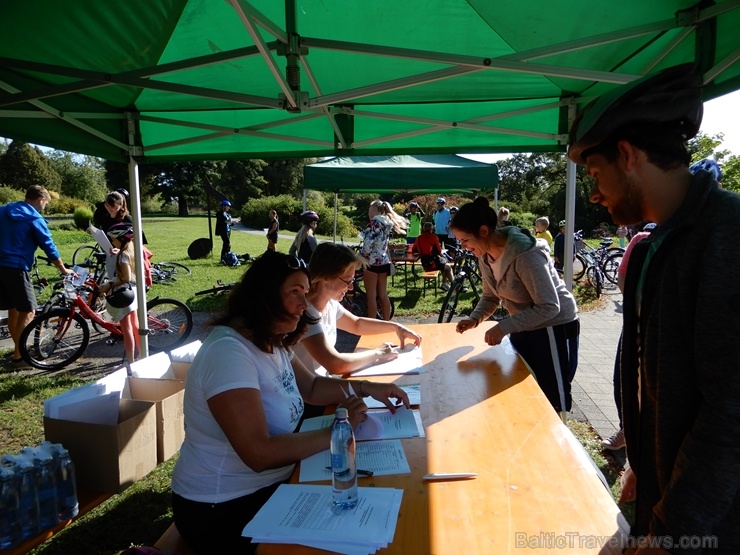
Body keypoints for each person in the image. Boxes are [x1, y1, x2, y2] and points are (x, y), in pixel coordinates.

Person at [568, 62, 740, 553]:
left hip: (714, 523)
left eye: (597, 173)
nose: (595, 193)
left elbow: (730, 411)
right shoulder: (649, 247)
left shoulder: (726, 236)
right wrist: (642, 464)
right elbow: (645, 367)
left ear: (628, 154)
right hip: (665, 491)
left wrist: (673, 528)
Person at [171, 250, 409, 554]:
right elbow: (258, 453)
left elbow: (310, 386)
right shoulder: (229, 354)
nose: (303, 303)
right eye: (294, 293)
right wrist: (337, 431)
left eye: (305, 292)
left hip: (272, 485)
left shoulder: (271, 340)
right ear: (264, 297)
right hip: (222, 508)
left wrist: (364, 388)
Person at [451, 197, 579, 414]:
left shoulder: (526, 254)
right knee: (525, 388)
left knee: (552, 398)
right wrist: (475, 318)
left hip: (553, 327)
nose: (463, 246)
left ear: (483, 231)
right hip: (524, 326)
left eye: (465, 240)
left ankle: (558, 438)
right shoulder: (485, 256)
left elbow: (549, 306)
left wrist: (503, 327)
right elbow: (490, 296)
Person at [293, 242, 422, 378]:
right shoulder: (306, 313)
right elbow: (335, 364)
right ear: (326, 277)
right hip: (308, 395)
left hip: (321, 386)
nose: (351, 288)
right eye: (348, 281)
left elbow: (356, 324)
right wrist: (377, 353)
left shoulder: (329, 302)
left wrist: (397, 327)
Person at [0, 185, 75, 367]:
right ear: (41, 200)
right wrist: (63, 269)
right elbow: (48, 245)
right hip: (17, 267)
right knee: (29, 311)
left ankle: (19, 349)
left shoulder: (3, 211)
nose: (45, 207)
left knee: (13, 309)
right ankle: (20, 357)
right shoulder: (34, 217)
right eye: (46, 204)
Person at [602, 222, 655, 452]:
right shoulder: (641, 240)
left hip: (666, 331)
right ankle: (627, 430)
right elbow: (623, 277)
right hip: (637, 322)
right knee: (624, 378)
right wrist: (636, 312)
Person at [359, 200, 408, 321]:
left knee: (371, 296)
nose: (369, 211)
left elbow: (367, 246)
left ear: (376, 209)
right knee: (383, 295)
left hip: (371, 263)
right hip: (384, 262)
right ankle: (387, 321)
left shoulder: (373, 224)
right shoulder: (387, 224)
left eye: (370, 208)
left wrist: (360, 256)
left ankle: (372, 324)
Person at [99, 223, 139, 363]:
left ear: (121, 239)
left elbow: (125, 277)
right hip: (133, 291)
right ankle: (142, 355)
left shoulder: (123, 256)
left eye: (114, 240)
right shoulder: (131, 249)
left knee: (126, 328)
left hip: (124, 292)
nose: (112, 243)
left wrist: (109, 284)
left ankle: (130, 360)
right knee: (135, 325)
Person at [412, 222, 454, 290]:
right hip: (432, 263)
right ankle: (453, 284)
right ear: (432, 229)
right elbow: (439, 251)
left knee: (443, 264)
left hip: (424, 263)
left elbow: (414, 250)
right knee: (448, 266)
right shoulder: (434, 237)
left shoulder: (418, 238)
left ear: (423, 229)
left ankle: (445, 283)